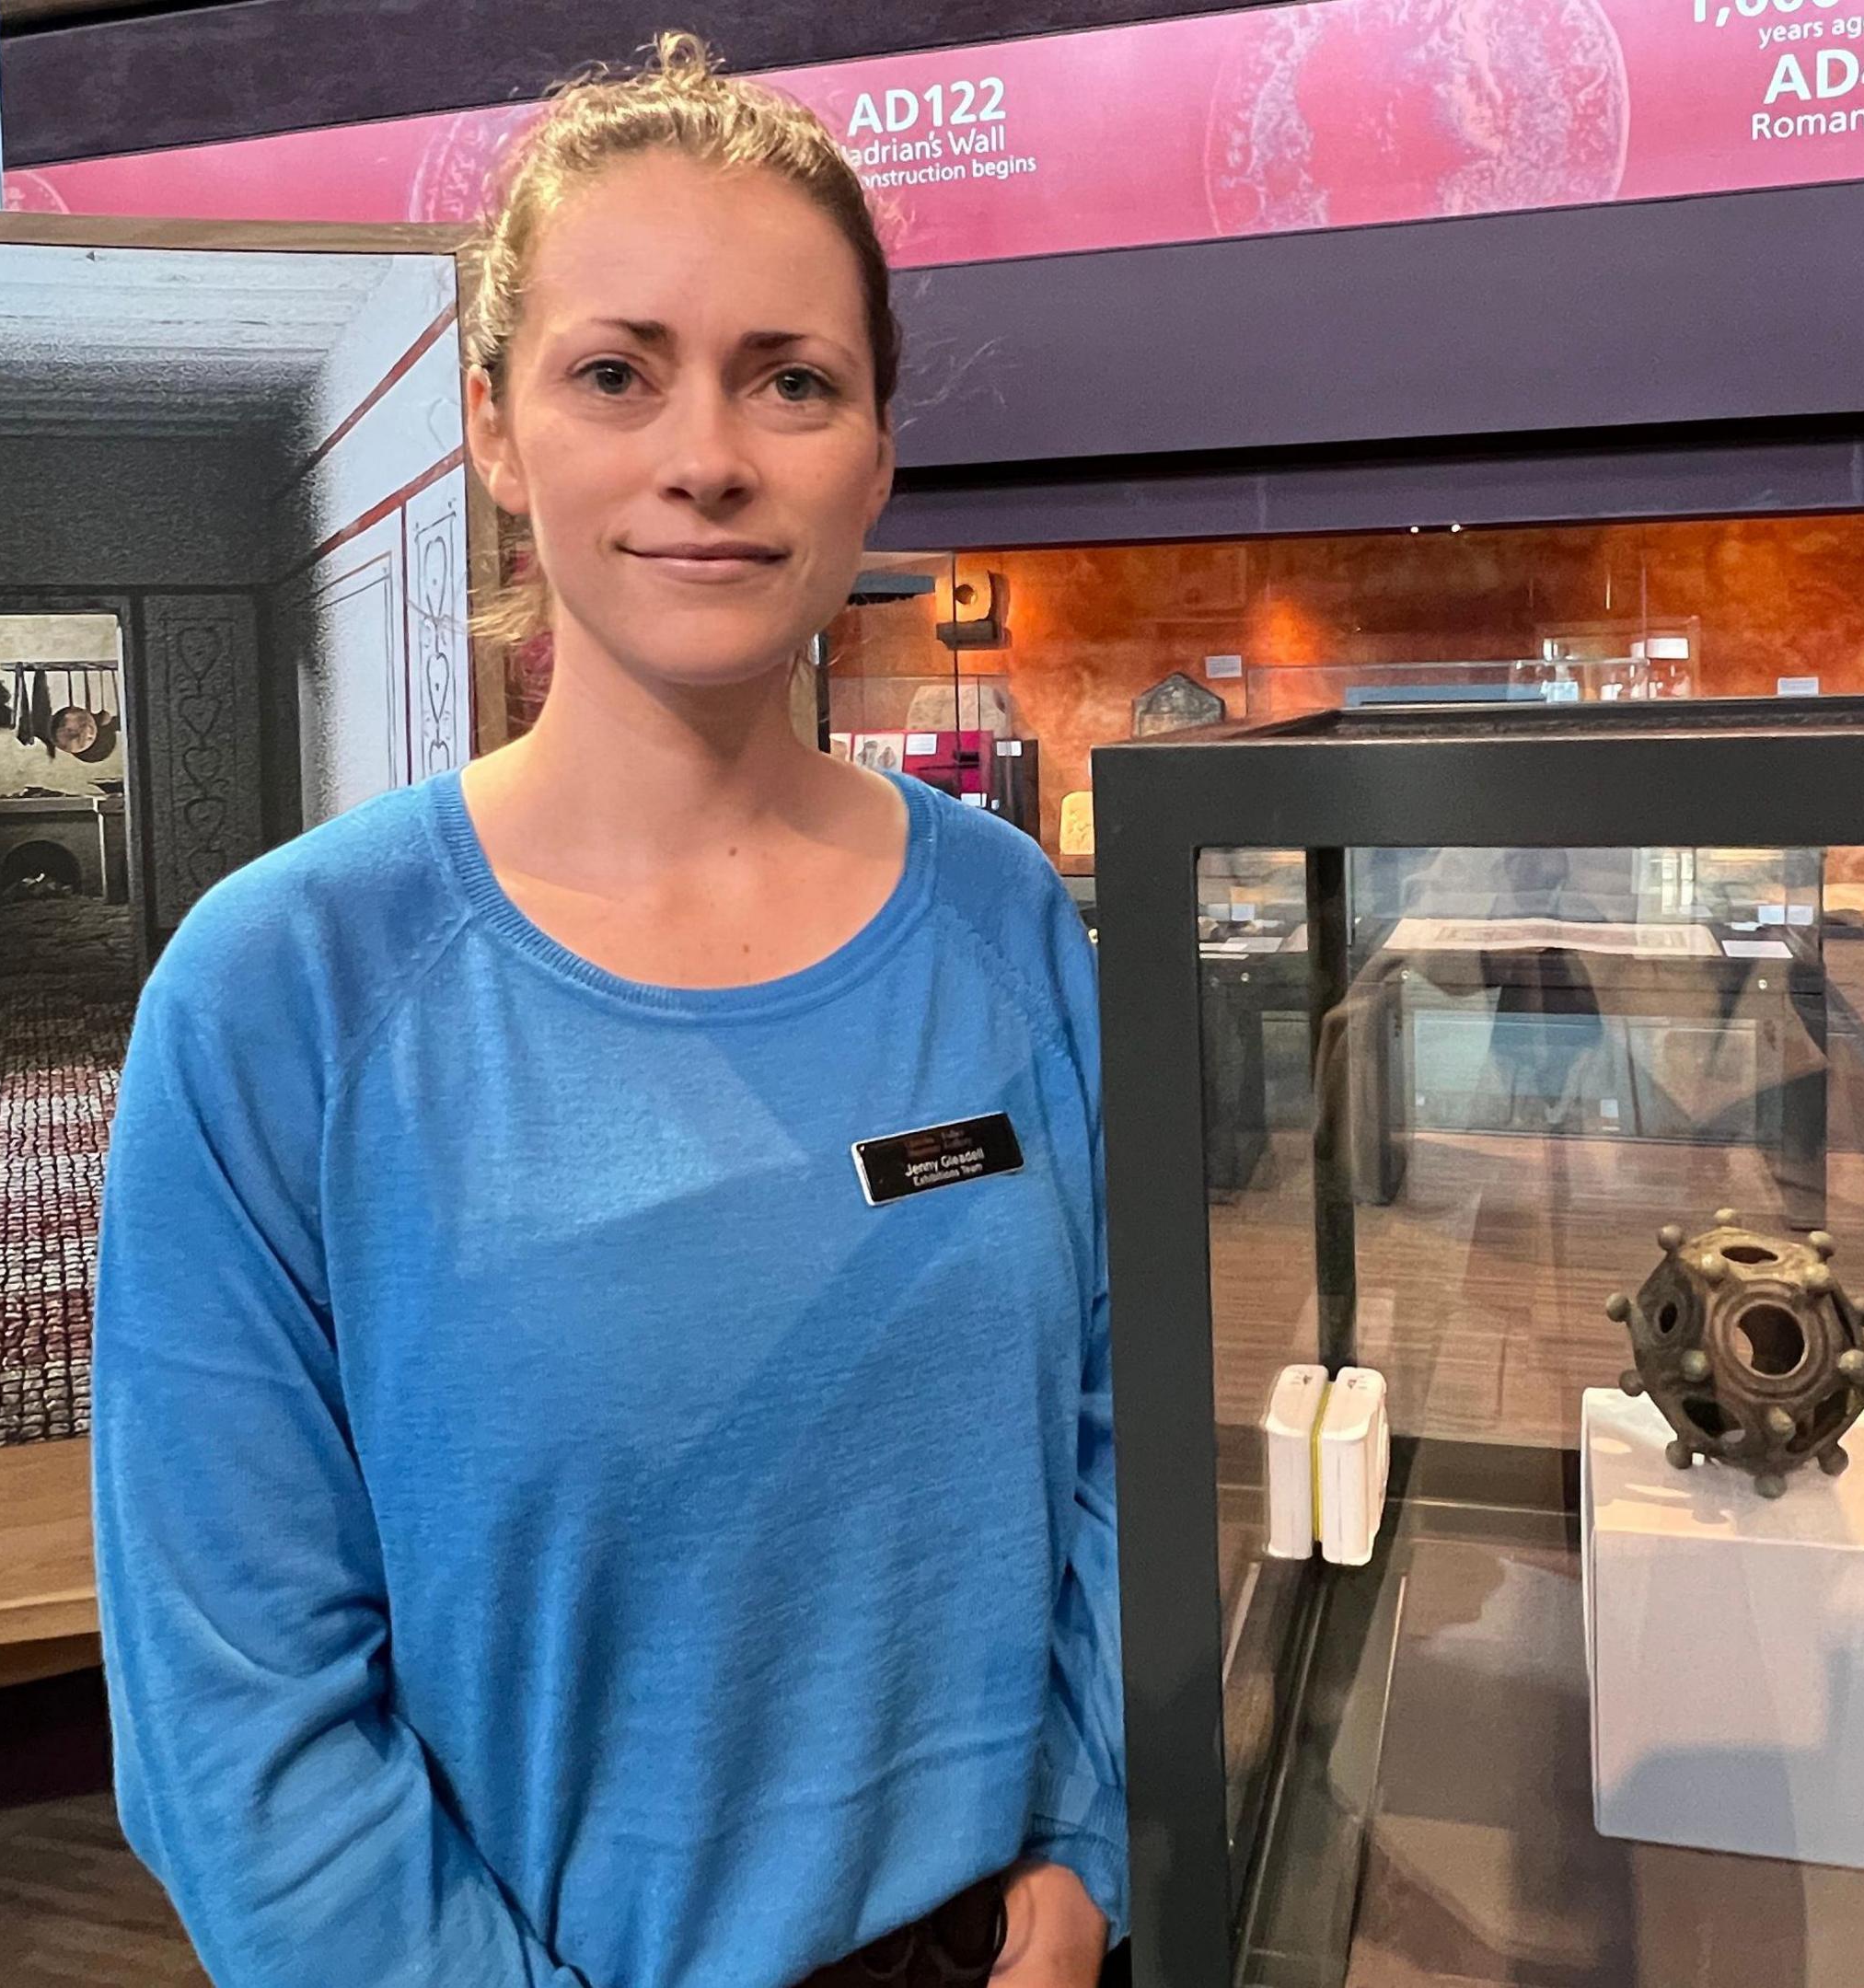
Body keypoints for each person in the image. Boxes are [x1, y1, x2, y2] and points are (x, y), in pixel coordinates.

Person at [89, 35, 1123, 1988]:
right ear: (494, 428)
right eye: (616, 372)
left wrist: (1084, 1857)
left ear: (878, 452)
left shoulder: (1005, 927)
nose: (709, 455)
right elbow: (240, 1718)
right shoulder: (279, 990)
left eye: (791, 380)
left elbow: (1111, 1437)